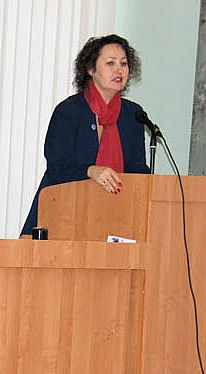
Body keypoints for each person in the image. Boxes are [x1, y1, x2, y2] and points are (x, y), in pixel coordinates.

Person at [21, 34, 150, 236]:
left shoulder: (133, 114)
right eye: (110, 63)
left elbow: (138, 170)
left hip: (117, 216)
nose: (119, 70)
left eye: (124, 64)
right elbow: (58, 169)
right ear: (91, 69)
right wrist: (91, 171)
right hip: (63, 213)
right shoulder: (69, 111)